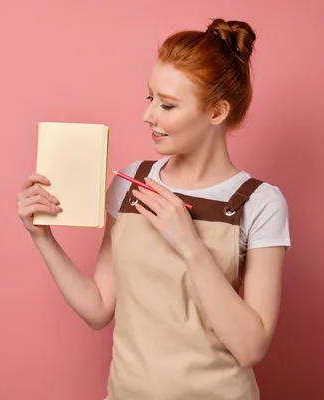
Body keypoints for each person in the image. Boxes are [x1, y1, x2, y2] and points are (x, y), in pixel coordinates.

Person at [16, 17, 290, 400]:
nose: (149, 116)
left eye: (168, 105)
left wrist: (190, 244)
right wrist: (43, 237)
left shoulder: (260, 202)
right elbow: (98, 308)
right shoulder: (131, 183)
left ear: (216, 112)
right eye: (150, 98)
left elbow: (251, 347)